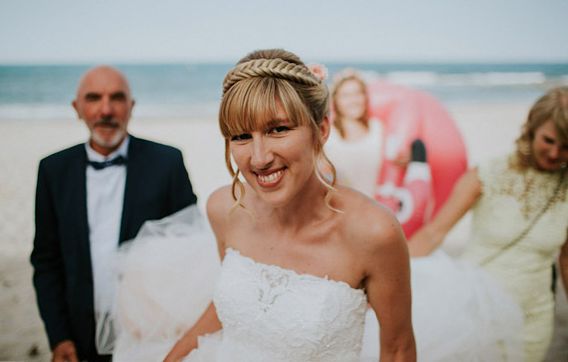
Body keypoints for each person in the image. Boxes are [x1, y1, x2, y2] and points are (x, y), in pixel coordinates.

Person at [161, 49, 415, 361]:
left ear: (320, 130)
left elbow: (398, 349)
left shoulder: (374, 232)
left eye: (278, 129)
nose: (259, 158)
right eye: (241, 136)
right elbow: (235, 309)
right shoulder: (223, 208)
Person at [31, 65, 198, 362]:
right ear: (77, 107)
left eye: (117, 98)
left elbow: (191, 254)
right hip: (80, 330)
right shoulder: (52, 170)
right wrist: (58, 335)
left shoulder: (168, 163)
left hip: (151, 330)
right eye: (93, 98)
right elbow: (46, 261)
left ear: (131, 106)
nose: (106, 110)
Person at [408, 86, 568, 361]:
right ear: (531, 129)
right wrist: (387, 272)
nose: (555, 153)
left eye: (566, 146)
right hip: (478, 311)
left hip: (535, 317)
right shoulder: (488, 173)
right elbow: (434, 233)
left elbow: (566, 259)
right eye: (549, 140)